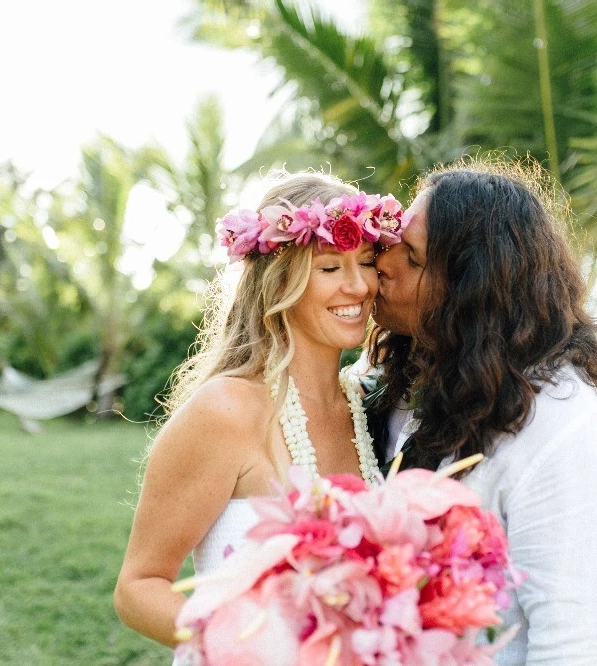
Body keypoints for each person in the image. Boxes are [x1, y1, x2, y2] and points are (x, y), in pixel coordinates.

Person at [113, 173, 405, 651]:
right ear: (279, 278)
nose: (357, 286)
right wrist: (254, 651)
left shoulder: (369, 403)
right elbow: (137, 589)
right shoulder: (228, 409)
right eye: (329, 268)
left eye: (368, 262)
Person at [364, 159, 597, 664]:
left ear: (474, 290)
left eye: (414, 258)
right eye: (394, 243)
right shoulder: (412, 392)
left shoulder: (564, 429)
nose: (383, 263)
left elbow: (582, 646)